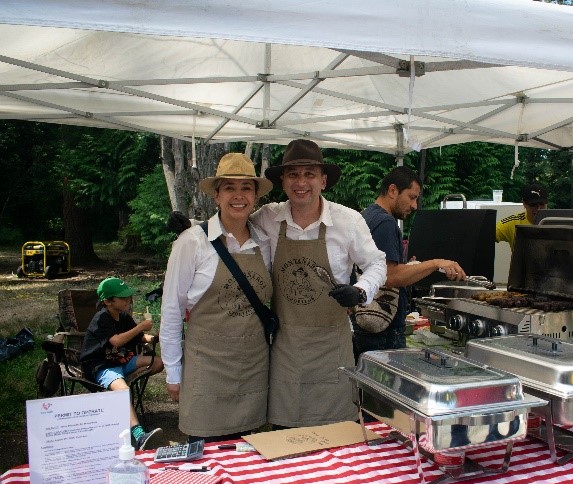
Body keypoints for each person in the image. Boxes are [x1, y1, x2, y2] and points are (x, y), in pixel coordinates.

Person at [257, 139, 387, 429]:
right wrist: (194, 229)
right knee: (285, 437)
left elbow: (377, 263)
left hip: (332, 349)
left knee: (337, 438)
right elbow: (232, 228)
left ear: (323, 181)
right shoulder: (267, 218)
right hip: (286, 349)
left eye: (309, 174)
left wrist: (360, 290)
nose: (301, 182)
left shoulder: (348, 221)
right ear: (282, 181)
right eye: (293, 174)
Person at [160, 152, 274, 442]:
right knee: (206, 459)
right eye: (229, 188)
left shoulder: (265, 243)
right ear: (216, 195)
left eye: (246, 188)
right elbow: (172, 310)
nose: (238, 196)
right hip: (207, 370)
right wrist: (173, 372)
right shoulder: (191, 243)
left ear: (256, 196)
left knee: (248, 459)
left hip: (253, 370)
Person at [353, 166, 466, 354]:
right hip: (383, 332)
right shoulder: (385, 223)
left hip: (366, 326)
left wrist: (410, 267)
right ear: (392, 190)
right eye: (412, 197)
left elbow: (376, 268)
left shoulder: (367, 216)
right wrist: (436, 263)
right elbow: (390, 276)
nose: (414, 206)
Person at [80, 277, 164, 450]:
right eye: (123, 298)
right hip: (101, 366)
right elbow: (116, 341)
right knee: (124, 391)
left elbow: (140, 338)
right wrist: (141, 326)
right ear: (108, 301)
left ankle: (120, 392)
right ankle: (139, 435)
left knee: (157, 362)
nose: (128, 300)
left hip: (122, 361)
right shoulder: (101, 318)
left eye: (128, 297)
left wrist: (156, 337)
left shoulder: (123, 317)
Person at [496, 183, 548, 249]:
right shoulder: (513, 222)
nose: (538, 208)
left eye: (542, 204)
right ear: (524, 204)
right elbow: (486, 234)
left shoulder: (556, 221)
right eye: (533, 204)